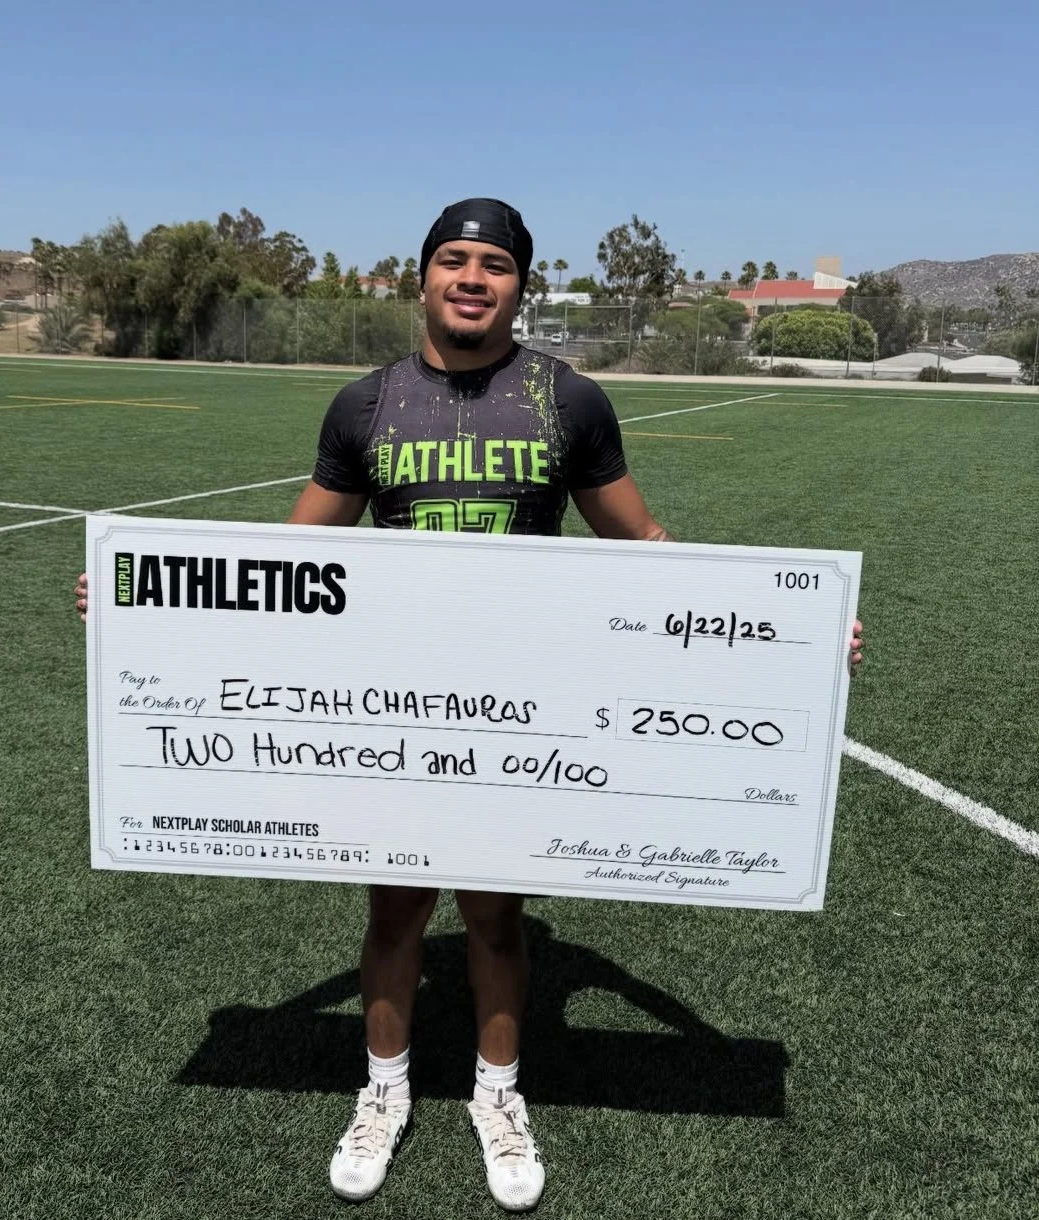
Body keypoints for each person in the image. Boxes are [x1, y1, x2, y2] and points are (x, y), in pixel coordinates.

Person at [74, 197, 864, 1213]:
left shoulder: (568, 399)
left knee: (495, 917)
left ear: (520, 285)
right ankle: (385, 1086)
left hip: (521, 704)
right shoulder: (364, 405)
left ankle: (498, 1094)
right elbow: (280, 563)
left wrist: (799, 632)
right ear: (424, 277)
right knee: (394, 907)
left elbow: (652, 548)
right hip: (398, 702)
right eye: (454, 259)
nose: (473, 277)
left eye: (495, 263)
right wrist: (144, 602)